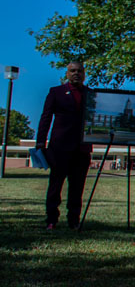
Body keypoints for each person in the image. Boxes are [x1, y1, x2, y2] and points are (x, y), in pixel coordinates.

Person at [36, 61, 93, 231]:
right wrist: (41, 141)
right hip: (59, 148)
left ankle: (73, 221)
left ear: (84, 74)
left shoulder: (91, 95)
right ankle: (51, 220)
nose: (76, 74)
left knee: (77, 187)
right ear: (67, 74)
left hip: (81, 149)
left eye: (80, 71)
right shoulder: (56, 92)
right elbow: (46, 117)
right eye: (72, 71)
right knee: (55, 186)